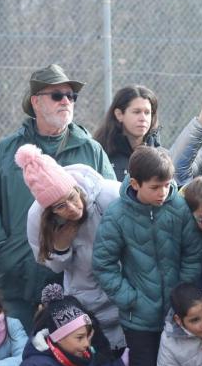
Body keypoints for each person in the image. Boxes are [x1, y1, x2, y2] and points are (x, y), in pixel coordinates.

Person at [0, 64, 114, 332]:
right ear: (36, 102)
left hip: (74, 280)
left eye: (71, 96)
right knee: (15, 353)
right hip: (17, 276)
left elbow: (112, 209)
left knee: (71, 358)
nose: (66, 102)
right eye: (57, 96)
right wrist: (3, 247)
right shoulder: (8, 150)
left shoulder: (90, 150)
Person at [93, 146, 202, 366]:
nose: (163, 192)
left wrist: (180, 300)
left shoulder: (179, 207)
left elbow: (192, 253)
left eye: (168, 185)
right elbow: (103, 264)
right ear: (135, 183)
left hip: (176, 316)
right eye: (155, 187)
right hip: (138, 319)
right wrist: (131, 299)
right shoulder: (118, 215)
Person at [17, 144, 124, 350]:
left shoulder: (108, 194)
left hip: (124, 288)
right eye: (60, 207)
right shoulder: (36, 220)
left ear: (76, 187)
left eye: (72, 197)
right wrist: (61, 248)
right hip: (86, 297)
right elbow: (53, 267)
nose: (73, 208)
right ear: (49, 211)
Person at [94, 85, 162, 182]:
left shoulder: (161, 156)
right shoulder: (100, 154)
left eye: (147, 112)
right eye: (136, 112)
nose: (143, 118)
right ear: (119, 114)